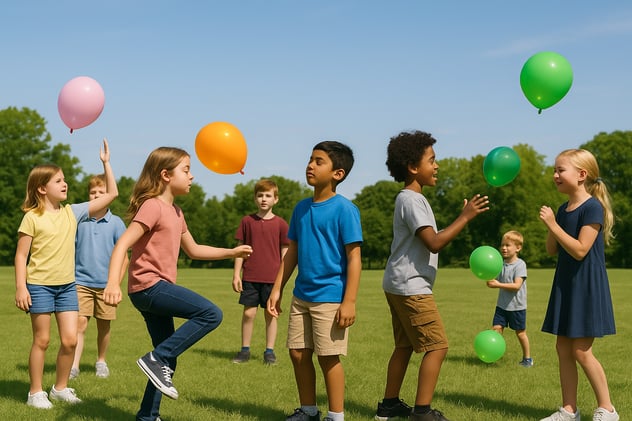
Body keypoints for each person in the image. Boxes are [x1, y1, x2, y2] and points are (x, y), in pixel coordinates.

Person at [103, 146, 252, 421]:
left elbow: (194, 250)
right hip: (149, 287)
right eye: (186, 170)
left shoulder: (176, 212)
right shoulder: (152, 206)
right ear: (165, 175)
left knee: (167, 359)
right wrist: (113, 283)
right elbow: (123, 243)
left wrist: (231, 252)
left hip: (153, 290)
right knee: (210, 314)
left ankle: (148, 416)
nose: (192, 176)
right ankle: (155, 358)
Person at [376, 130, 489, 421]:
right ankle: (422, 412)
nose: (437, 165)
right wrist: (465, 216)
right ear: (413, 167)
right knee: (437, 346)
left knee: (404, 346)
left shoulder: (411, 198)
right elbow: (434, 242)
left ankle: (389, 406)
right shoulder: (412, 200)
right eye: (432, 160)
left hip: (398, 282)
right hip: (411, 286)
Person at [14, 139, 118, 409]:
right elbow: (21, 256)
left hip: (67, 287)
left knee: (70, 340)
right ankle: (35, 392)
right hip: (39, 286)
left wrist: (106, 163)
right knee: (43, 340)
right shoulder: (32, 217)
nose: (65, 184)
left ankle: (60, 388)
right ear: (41, 187)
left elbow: (111, 195)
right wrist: (21, 288)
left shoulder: (73, 212)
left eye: (65, 180)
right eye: (58, 181)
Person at [267, 141, 362, 421]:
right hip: (301, 296)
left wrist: (350, 301)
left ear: (338, 174)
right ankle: (308, 411)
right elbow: (292, 252)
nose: (310, 165)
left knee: (328, 357)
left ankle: (336, 416)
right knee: (297, 353)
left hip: (331, 297)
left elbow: (354, 258)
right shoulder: (301, 208)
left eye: (319, 161)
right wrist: (277, 289)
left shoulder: (345, 209)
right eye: (310, 159)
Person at [538, 149, 619, 421]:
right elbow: (552, 249)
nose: (555, 175)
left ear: (582, 175)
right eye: (555, 170)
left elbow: (581, 250)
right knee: (563, 348)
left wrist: (553, 224)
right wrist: (552, 225)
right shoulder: (563, 209)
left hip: (586, 286)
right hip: (566, 285)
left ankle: (607, 409)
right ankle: (569, 410)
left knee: (581, 351)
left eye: (561, 170)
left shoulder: (592, 208)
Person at [70, 174, 129, 380]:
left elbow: (124, 259)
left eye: (101, 192)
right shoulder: (79, 220)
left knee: (104, 326)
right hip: (80, 282)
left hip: (107, 286)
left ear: (108, 196)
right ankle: (74, 365)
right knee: (79, 324)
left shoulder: (116, 223)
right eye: (92, 192)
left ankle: (101, 361)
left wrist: (116, 285)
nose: (96, 195)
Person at [232, 179, 289, 365]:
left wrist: (281, 282)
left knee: (271, 314)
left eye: (268, 195)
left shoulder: (281, 224)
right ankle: (244, 350)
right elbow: (240, 250)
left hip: (272, 279)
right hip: (250, 276)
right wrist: (236, 275)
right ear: (255, 198)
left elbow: (285, 256)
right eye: (260, 195)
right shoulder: (247, 222)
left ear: (276, 199)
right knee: (249, 314)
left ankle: (269, 351)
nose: (264, 199)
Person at [485, 230, 532, 368]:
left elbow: (517, 285)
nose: (504, 248)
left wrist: (497, 284)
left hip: (517, 307)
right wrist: (489, 279)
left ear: (518, 248)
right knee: (496, 329)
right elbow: (495, 279)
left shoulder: (520, 265)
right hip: (502, 306)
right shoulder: (500, 264)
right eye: (502, 245)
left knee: (520, 333)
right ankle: (493, 356)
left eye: (508, 245)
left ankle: (527, 358)